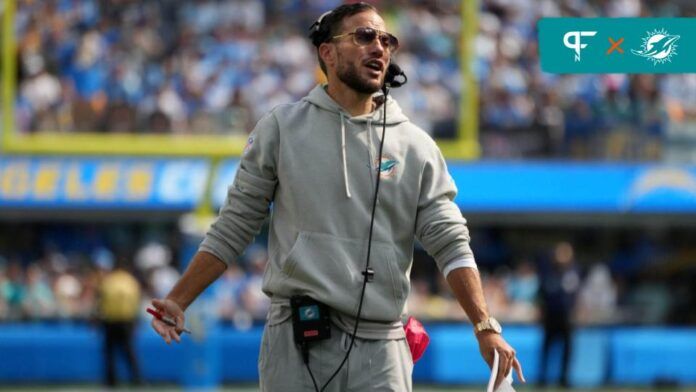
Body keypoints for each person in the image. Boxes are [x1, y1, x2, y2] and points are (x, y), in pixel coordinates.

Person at [150, 3, 524, 391]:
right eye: (364, 36)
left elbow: (450, 243)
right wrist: (179, 299)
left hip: (384, 345)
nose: (379, 47)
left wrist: (485, 327)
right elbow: (235, 225)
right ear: (327, 51)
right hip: (296, 338)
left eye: (386, 40)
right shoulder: (282, 128)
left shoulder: (416, 146)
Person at [538, 241, 581, 388]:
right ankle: (542, 378)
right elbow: (543, 293)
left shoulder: (573, 271)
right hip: (551, 315)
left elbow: (574, 294)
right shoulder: (548, 271)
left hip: (566, 316)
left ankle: (564, 379)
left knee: (567, 350)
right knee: (547, 349)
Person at [97, 255, 142, 388]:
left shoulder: (108, 280)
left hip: (110, 321)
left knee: (109, 353)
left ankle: (111, 382)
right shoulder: (131, 281)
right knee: (130, 353)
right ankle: (137, 380)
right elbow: (136, 302)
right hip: (127, 321)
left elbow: (100, 301)